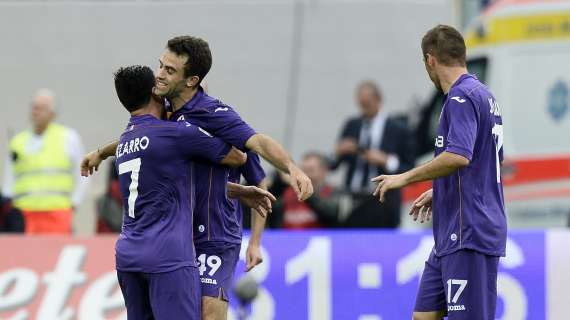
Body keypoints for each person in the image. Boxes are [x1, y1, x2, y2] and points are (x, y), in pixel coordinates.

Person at [83, 35, 312, 320]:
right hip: (180, 236)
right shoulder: (165, 112)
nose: (159, 75)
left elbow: (257, 145)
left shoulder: (214, 114)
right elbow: (142, 137)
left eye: (169, 70)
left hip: (214, 235)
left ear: (191, 81)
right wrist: (101, 152)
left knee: (208, 314)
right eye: (160, 65)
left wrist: (292, 168)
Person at [103, 65, 271, 319]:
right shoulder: (177, 133)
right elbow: (236, 157)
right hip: (170, 252)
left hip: (149, 249)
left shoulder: (128, 138)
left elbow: (181, 183)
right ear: (157, 94)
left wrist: (255, 240)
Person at [372, 25, 506, 320]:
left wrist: (403, 177)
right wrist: (442, 189)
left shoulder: (460, 98)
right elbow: (483, 163)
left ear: (430, 60)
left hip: (469, 231)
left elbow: (459, 156)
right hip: (452, 233)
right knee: (423, 315)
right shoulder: (482, 94)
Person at [2, 89, 87, 234]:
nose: (36, 112)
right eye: (34, 107)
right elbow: (9, 181)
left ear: (52, 113)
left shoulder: (69, 137)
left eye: (41, 108)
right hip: (24, 215)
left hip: (57, 215)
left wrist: (74, 203)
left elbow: (84, 172)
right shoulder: (17, 142)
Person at [332, 81, 414, 228]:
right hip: (353, 198)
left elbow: (410, 168)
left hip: (382, 201)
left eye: (367, 103)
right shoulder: (352, 125)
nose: (364, 109)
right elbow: (334, 164)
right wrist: (339, 151)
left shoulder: (398, 129)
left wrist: (386, 161)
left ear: (378, 99)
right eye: (361, 105)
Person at [272, 152, 346, 228]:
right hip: (286, 238)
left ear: (324, 171)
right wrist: (278, 184)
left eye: (310, 170)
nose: (305, 174)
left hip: (318, 238)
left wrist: (305, 189)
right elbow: (271, 212)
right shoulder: (289, 192)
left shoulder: (332, 191)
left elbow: (330, 213)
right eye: (303, 170)